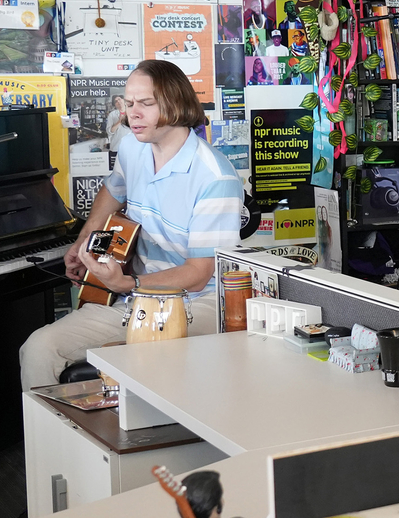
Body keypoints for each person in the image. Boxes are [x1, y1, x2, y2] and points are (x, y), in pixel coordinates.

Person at [20, 60, 242, 389]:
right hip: (135, 295)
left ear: (176, 103)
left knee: (146, 359)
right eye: (129, 102)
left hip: (200, 301)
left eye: (146, 104)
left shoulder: (215, 178)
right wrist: (84, 240)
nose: (131, 113)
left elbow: (197, 274)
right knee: (39, 348)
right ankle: (56, 441)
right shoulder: (133, 148)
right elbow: (113, 190)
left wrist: (127, 284)